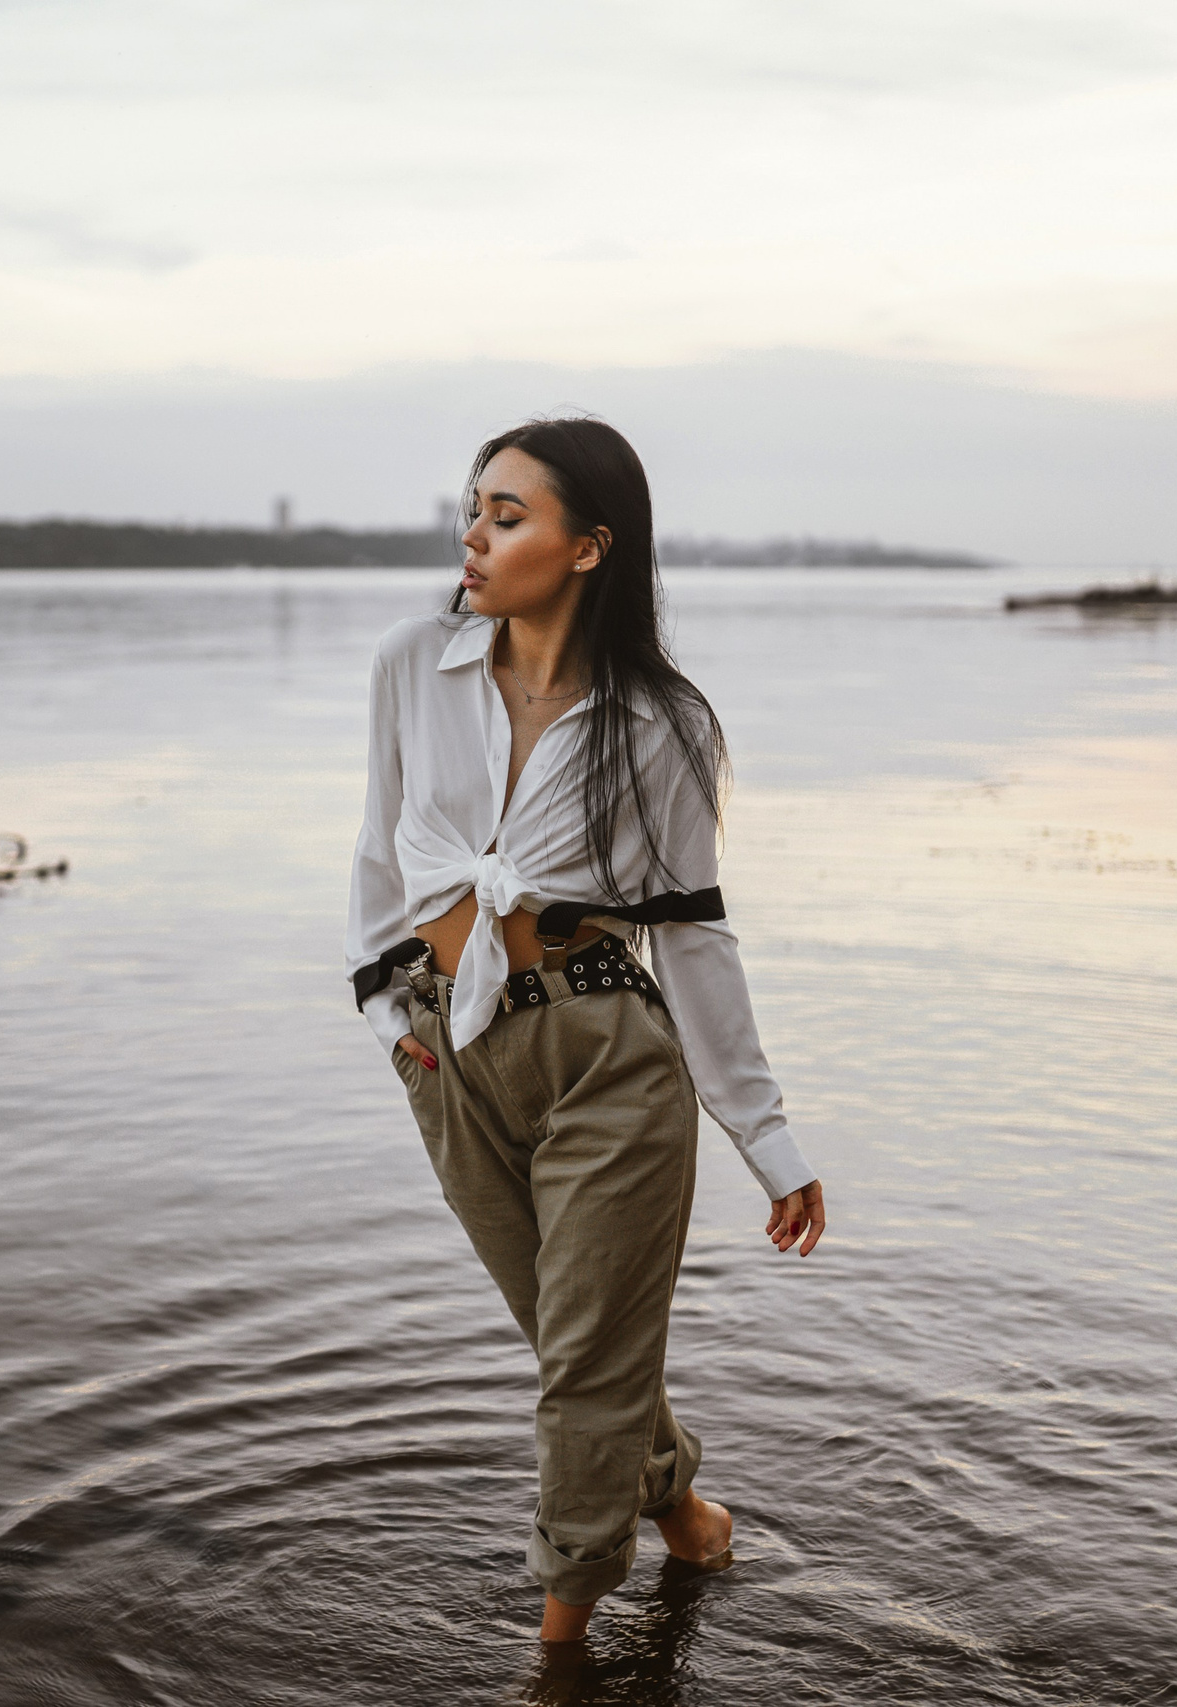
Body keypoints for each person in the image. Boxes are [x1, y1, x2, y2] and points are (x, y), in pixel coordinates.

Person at [345, 416, 826, 1645]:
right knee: (580, 1347)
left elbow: (695, 935)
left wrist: (766, 1141)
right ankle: (689, 1520)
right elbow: (374, 851)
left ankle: (556, 1655)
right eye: (472, 509)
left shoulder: (659, 726)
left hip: (608, 1063)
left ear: (587, 548)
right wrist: (385, 1022)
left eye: (508, 516)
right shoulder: (413, 666)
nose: (473, 535)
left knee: (577, 1375)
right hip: (448, 1055)